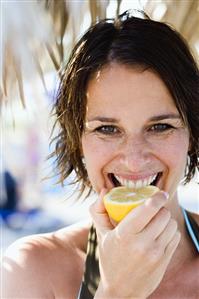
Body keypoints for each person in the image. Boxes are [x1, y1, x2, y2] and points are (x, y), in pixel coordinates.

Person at [2, 10, 199, 299]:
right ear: (77, 140)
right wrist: (116, 291)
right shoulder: (33, 269)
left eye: (160, 126)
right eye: (107, 129)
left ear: (192, 134)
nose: (134, 159)